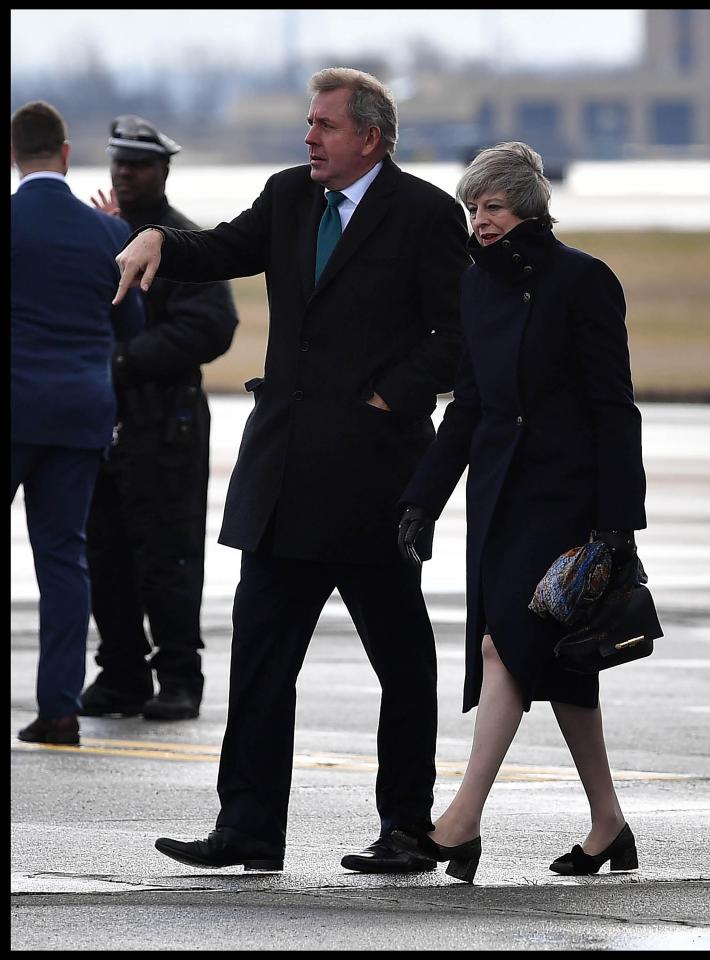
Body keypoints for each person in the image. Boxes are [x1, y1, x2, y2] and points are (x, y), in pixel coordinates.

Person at [112, 68, 470, 873]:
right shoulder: (287, 196)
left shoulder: (423, 214)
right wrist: (161, 240)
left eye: (324, 126)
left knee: (402, 665)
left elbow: (459, 333)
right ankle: (247, 830)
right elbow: (222, 248)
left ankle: (406, 828)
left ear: (369, 137)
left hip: (375, 484)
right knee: (261, 663)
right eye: (309, 124)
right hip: (282, 481)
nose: (308, 136)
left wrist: (392, 395)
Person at [393, 142, 647, 883]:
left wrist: (616, 520)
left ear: (527, 208)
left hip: (567, 502)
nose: (480, 221)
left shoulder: (583, 280)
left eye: (493, 207)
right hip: (498, 498)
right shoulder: (476, 287)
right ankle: (609, 825)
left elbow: (613, 407)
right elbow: (469, 405)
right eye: (473, 209)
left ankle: (460, 822)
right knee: (564, 669)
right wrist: (423, 498)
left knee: (504, 645)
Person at [79, 115, 239, 722]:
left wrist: (120, 360)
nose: (125, 172)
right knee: (105, 554)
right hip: (107, 423)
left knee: (167, 556)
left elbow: (210, 326)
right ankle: (120, 672)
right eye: (118, 163)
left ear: (162, 171)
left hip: (166, 422)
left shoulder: (182, 244)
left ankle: (178, 676)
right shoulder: (105, 235)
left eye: (138, 165)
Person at [11, 101, 145, 745]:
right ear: (66, 156)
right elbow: (131, 326)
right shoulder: (106, 233)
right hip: (82, 410)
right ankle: (60, 709)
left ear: (14, 156)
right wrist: (114, 234)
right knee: (64, 560)